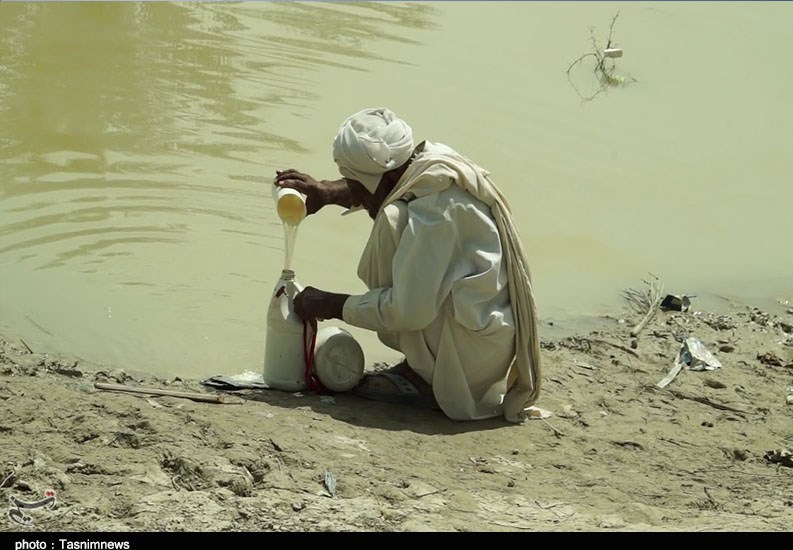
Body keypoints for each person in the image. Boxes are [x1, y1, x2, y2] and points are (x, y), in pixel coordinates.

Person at [273, 107, 541, 423]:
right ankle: (423, 363)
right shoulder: (429, 164)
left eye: (355, 184)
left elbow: (408, 311)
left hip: (470, 357)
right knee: (390, 215)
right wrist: (327, 192)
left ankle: (427, 378)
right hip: (485, 334)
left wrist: (329, 304)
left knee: (390, 220)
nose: (356, 195)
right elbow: (383, 186)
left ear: (385, 178)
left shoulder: (435, 213)